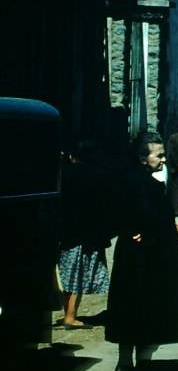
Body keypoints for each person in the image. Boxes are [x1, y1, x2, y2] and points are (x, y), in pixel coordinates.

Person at [106, 132, 178, 371]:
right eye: (159, 155)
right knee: (144, 306)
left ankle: (125, 362)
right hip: (146, 258)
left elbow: (117, 214)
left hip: (131, 254)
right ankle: (140, 362)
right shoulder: (147, 186)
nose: (164, 160)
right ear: (143, 158)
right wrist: (151, 229)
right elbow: (145, 217)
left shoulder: (125, 181)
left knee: (129, 307)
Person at [56, 140, 112, 330]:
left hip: (68, 233)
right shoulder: (102, 176)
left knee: (68, 275)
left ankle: (68, 314)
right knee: (79, 276)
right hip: (91, 235)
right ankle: (71, 316)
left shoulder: (65, 176)